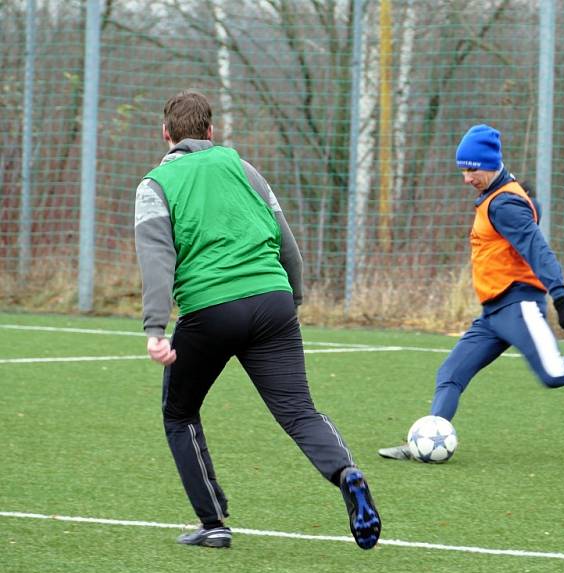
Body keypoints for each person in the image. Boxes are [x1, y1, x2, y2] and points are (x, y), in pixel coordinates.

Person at [134, 90, 380, 549]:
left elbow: (156, 259)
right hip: (273, 301)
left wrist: (155, 328)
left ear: (166, 136)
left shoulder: (155, 185)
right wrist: (293, 299)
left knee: (180, 412)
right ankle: (346, 473)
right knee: (299, 412)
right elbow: (288, 245)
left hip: (211, 310)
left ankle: (214, 523)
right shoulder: (244, 169)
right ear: (211, 132)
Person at [378, 123, 564, 460]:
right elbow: (530, 208)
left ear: (490, 163)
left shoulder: (504, 204)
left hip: (519, 305)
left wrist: (561, 298)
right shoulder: (500, 196)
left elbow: (538, 249)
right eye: (462, 171)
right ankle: (422, 443)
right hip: (494, 313)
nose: (466, 179)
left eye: (471, 170)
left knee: (555, 373)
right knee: (450, 373)